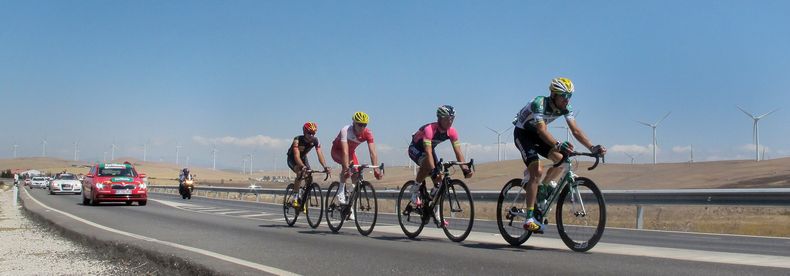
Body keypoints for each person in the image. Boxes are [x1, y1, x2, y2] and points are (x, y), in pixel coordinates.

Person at [512, 77, 607, 232]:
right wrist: (558, 144)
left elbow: (576, 131)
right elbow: (542, 130)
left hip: (537, 135)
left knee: (563, 160)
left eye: (570, 96)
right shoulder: (539, 103)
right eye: (564, 96)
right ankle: (529, 219)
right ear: (554, 94)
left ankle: (543, 188)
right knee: (537, 171)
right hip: (523, 134)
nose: (567, 100)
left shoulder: (566, 107)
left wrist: (592, 147)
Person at [407, 105, 473, 227]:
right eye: (447, 118)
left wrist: (465, 169)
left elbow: (458, 152)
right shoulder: (429, 129)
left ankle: (436, 214)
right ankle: (415, 190)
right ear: (440, 118)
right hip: (416, 148)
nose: (450, 121)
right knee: (428, 165)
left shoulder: (452, 131)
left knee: (439, 184)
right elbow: (428, 153)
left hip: (429, 150)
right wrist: (433, 171)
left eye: (452, 118)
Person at [331, 111, 382, 205]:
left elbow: (372, 152)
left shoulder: (368, 133)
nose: (362, 127)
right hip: (337, 151)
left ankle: (349, 204)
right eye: (360, 124)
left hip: (350, 153)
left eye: (364, 125)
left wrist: (376, 169)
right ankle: (341, 191)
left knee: (356, 174)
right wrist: (346, 168)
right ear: (354, 123)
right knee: (346, 168)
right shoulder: (346, 130)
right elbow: (345, 152)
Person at [287, 122, 331, 208]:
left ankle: (303, 196)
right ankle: (295, 197)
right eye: (309, 133)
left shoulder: (315, 140)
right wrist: (302, 166)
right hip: (292, 158)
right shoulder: (297, 140)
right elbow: (296, 156)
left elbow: (320, 154)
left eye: (313, 133)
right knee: (300, 172)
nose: (311, 135)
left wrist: (325, 166)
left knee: (309, 177)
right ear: (304, 132)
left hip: (303, 158)